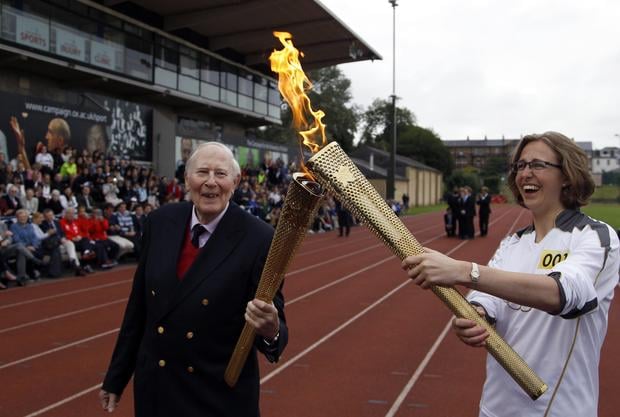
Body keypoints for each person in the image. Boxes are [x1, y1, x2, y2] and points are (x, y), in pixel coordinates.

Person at [401, 131, 620, 417]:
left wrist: (463, 270)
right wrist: (475, 316)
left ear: (567, 175)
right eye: (520, 166)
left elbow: (562, 293)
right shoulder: (513, 243)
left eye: (538, 165)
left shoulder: (594, 237)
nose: (525, 174)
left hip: (556, 409)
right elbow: (486, 302)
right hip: (495, 408)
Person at [99, 141, 288, 417]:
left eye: (221, 174)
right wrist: (116, 377)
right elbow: (139, 310)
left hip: (215, 397)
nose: (211, 182)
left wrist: (271, 329)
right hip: (157, 392)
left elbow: (274, 326)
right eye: (202, 172)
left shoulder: (259, 239)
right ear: (187, 179)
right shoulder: (159, 222)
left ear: (235, 181)